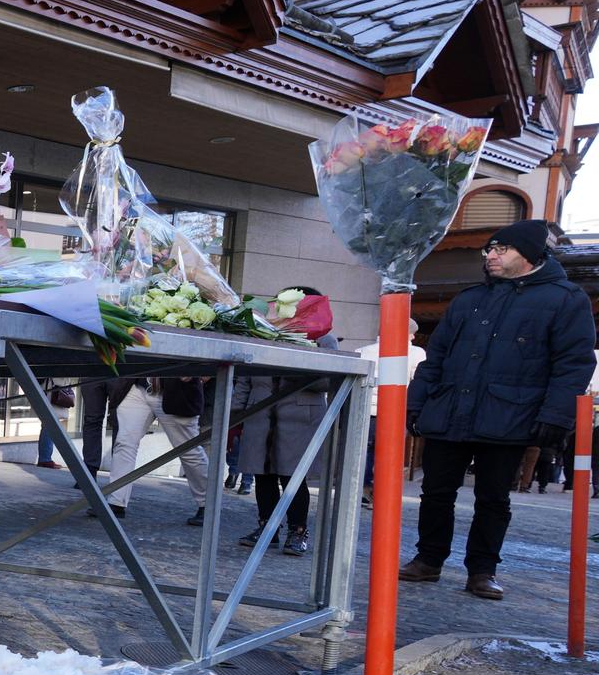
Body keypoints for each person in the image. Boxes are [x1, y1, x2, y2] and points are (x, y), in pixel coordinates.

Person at [402, 220, 596, 600]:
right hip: (450, 409)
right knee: (436, 491)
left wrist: (556, 416)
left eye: (500, 249)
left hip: (511, 415)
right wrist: (417, 402)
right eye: (488, 250)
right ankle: (428, 560)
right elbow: (436, 356)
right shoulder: (470, 298)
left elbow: (573, 364)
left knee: (493, 498)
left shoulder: (565, 299)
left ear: (529, 256)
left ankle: (482, 570)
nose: (490, 256)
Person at [234, 288, 340, 556]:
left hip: (299, 417)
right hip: (260, 413)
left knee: (292, 476)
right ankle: (267, 528)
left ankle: (298, 531)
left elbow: (328, 382)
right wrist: (235, 416)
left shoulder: (323, 337)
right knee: (262, 474)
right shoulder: (265, 330)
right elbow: (246, 375)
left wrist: (296, 362)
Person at [101, 377, 209, 522]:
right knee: (124, 443)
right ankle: (116, 502)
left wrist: (195, 372)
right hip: (137, 386)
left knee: (189, 451)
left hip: (176, 390)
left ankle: (208, 505)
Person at [353, 321, 426, 508]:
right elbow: (417, 381)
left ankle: (362, 489)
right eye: (411, 333)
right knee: (388, 454)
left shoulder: (362, 350)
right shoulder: (416, 353)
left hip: (365, 409)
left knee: (364, 452)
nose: (413, 337)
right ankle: (381, 494)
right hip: (394, 412)